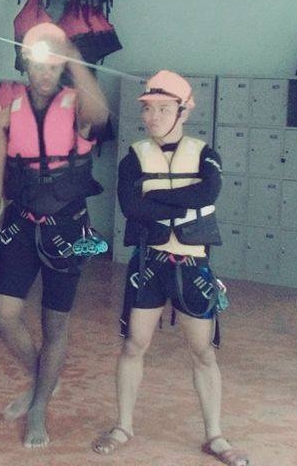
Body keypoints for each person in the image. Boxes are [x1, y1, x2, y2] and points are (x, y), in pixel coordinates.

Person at [91, 71, 248, 466]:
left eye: (163, 109)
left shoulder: (206, 153)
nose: (154, 116)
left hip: (193, 264)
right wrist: (181, 200)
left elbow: (208, 192)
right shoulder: (134, 157)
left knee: (203, 352)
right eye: (148, 109)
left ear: (183, 111)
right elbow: (131, 207)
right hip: (149, 263)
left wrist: (156, 194)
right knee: (133, 345)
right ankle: (123, 426)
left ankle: (215, 435)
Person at [0, 22, 110, 448]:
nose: (46, 73)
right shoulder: (6, 116)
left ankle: (37, 409)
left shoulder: (77, 108)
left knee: (55, 323)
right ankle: (43, 382)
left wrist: (72, 53)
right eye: (39, 65)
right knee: (3, 315)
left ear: (62, 67)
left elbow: (101, 115)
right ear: (26, 65)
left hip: (67, 228)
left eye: (54, 66)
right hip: (20, 227)